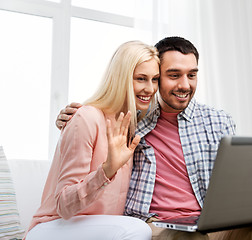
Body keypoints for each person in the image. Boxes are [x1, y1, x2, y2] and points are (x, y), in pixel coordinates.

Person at [56, 36, 252, 240]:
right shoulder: (134, 120)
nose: (184, 85)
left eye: (192, 75)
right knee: (186, 235)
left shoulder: (219, 121)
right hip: (160, 225)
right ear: (157, 77)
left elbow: (234, 183)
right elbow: (101, 114)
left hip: (210, 222)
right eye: (173, 75)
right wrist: (69, 116)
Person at [26, 41, 161, 240]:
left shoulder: (132, 124)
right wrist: (107, 171)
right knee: (137, 229)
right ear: (121, 78)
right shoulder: (86, 118)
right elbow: (63, 205)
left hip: (98, 229)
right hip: (53, 227)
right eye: (141, 79)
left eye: (155, 79)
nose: (150, 88)